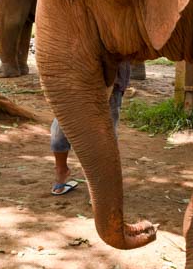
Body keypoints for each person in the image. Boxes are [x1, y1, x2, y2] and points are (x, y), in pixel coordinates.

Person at [50, 60, 132, 195]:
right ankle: (61, 169)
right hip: (74, 77)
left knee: (105, 133)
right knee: (60, 128)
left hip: (111, 77)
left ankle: (102, 181)